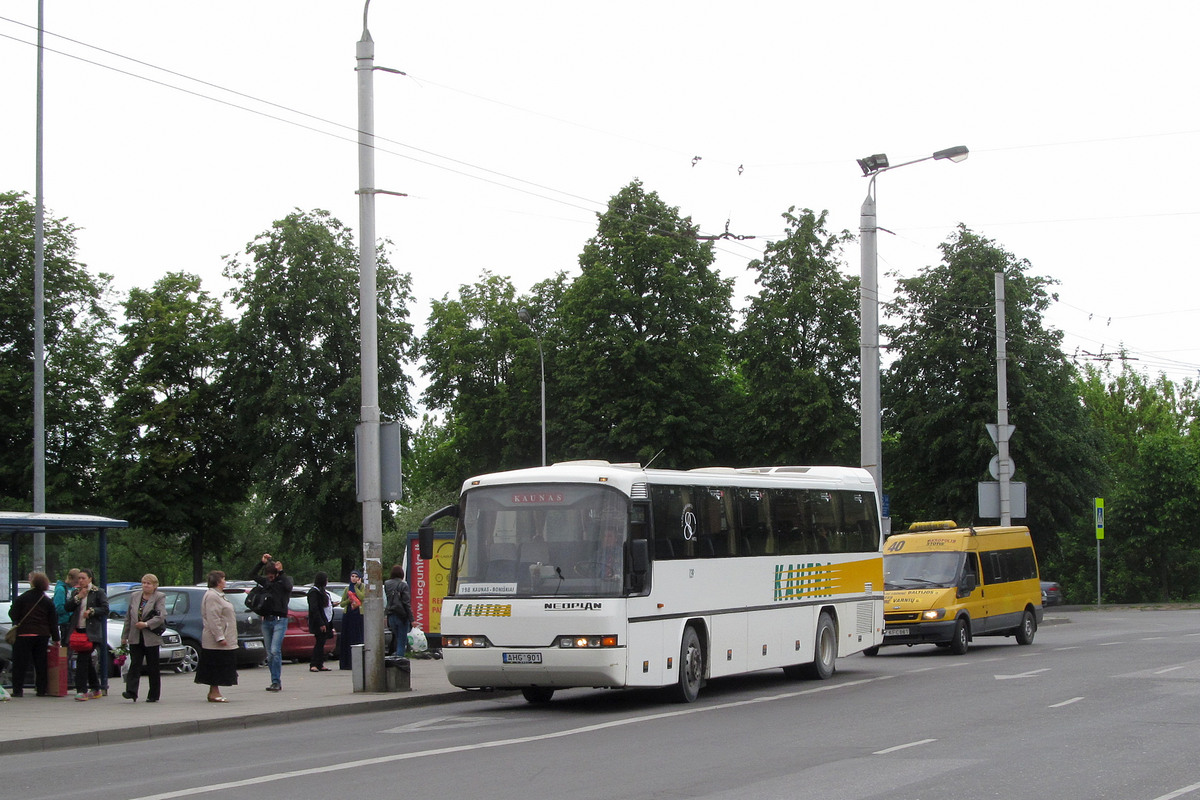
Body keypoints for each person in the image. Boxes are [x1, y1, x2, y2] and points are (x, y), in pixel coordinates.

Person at [8, 572, 60, 697]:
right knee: (41, 663)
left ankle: (17, 690)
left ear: (32, 583)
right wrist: (56, 638)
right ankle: (41, 689)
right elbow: (53, 621)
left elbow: (13, 614)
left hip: (24, 634)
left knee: (20, 663)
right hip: (42, 635)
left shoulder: (22, 598)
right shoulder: (47, 601)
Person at [248, 552, 293, 691]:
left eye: (272, 574)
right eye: (268, 575)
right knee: (270, 653)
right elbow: (252, 576)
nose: (269, 577)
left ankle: (276, 681)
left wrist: (281, 571)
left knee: (275, 650)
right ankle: (274, 680)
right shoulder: (267, 583)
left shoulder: (283, 581)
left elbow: (288, 587)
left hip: (280, 620)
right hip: (267, 620)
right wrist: (261, 563)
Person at [120, 573, 167, 703]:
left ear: (155, 585)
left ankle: (153, 694)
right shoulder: (135, 596)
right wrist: (124, 636)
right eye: (144, 583)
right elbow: (128, 617)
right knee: (135, 664)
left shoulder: (159, 597)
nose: (145, 586)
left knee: (153, 666)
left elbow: (161, 616)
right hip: (135, 635)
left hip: (150, 636)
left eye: (148, 583)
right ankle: (131, 691)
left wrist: (146, 624)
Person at [63, 568, 109, 701]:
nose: (80, 580)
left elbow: (105, 609)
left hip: (91, 632)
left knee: (82, 660)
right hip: (78, 630)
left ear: (90, 579)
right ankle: (95, 688)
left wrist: (92, 611)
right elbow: (67, 608)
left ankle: (81, 690)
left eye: (83, 578)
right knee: (87, 661)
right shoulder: (76, 592)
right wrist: (78, 597)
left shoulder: (98, 592)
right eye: (79, 578)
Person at [195, 570, 238, 703]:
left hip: (225, 636)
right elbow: (213, 618)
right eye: (224, 579)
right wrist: (220, 636)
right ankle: (214, 692)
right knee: (216, 665)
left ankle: (214, 691)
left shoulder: (219, 595)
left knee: (221, 664)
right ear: (218, 581)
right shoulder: (212, 596)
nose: (225, 582)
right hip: (216, 640)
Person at [338, 570, 365, 670]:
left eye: (356, 576)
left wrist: (356, 588)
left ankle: (358, 662)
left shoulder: (362, 587)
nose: (353, 578)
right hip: (348, 615)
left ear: (359, 578)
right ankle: (346, 663)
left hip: (358, 615)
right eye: (352, 576)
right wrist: (348, 601)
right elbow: (342, 603)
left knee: (357, 638)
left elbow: (362, 597)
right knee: (347, 638)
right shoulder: (346, 588)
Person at [383, 564, 412, 658]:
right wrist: (412, 619)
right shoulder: (404, 585)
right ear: (401, 574)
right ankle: (400, 660)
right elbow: (406, 603)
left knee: (396, 638)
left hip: (391, 615)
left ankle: (396, 657)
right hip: (402, 616)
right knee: (401, 641)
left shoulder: (387, 584)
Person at [306, 572, 333, 671]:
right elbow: (315, 608)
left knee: (322, 643)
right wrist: (321, 623)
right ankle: (314, 664)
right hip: (318, 621)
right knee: (319, 642)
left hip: (326, 619)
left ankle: (320, 663)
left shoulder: (322, 591)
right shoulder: (314, 592)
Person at [52, 568, 80, 644]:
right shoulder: (61, 589)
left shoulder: (73, 589)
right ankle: (63, 656)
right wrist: (69, 611)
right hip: (63, 623)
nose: (77, 584)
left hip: (71, 623)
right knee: (64, 649)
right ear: (70, 578)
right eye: (76, 581)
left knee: (70, 647)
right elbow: (58, 608)